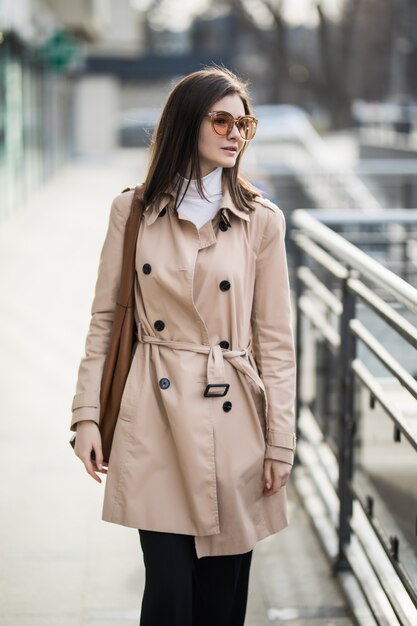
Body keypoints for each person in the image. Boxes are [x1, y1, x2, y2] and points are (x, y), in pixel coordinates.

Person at [70, 66, 297, 626]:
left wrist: (281, 443)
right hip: (155, 417)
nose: (235, 133)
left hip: (235, 419)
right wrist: (86, 417)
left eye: (243, 122)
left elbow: (275, 341)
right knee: (168, 597)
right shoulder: (134, 210)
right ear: (184, 123)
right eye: (221, 119)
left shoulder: (260, 220)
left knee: (222, 600)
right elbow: (106, 318)